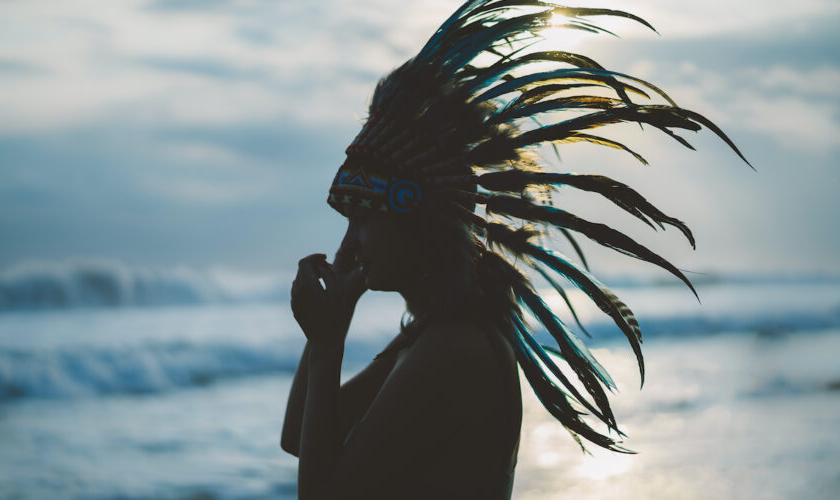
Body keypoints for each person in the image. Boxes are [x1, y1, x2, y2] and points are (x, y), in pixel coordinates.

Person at [280, 1, 751, 499]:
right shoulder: (430, 334)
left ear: (416, 222)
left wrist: (330, 343)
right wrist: (329, 327)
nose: (348, 244)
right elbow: (299, 438)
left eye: (364, 219)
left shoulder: (453, 348)